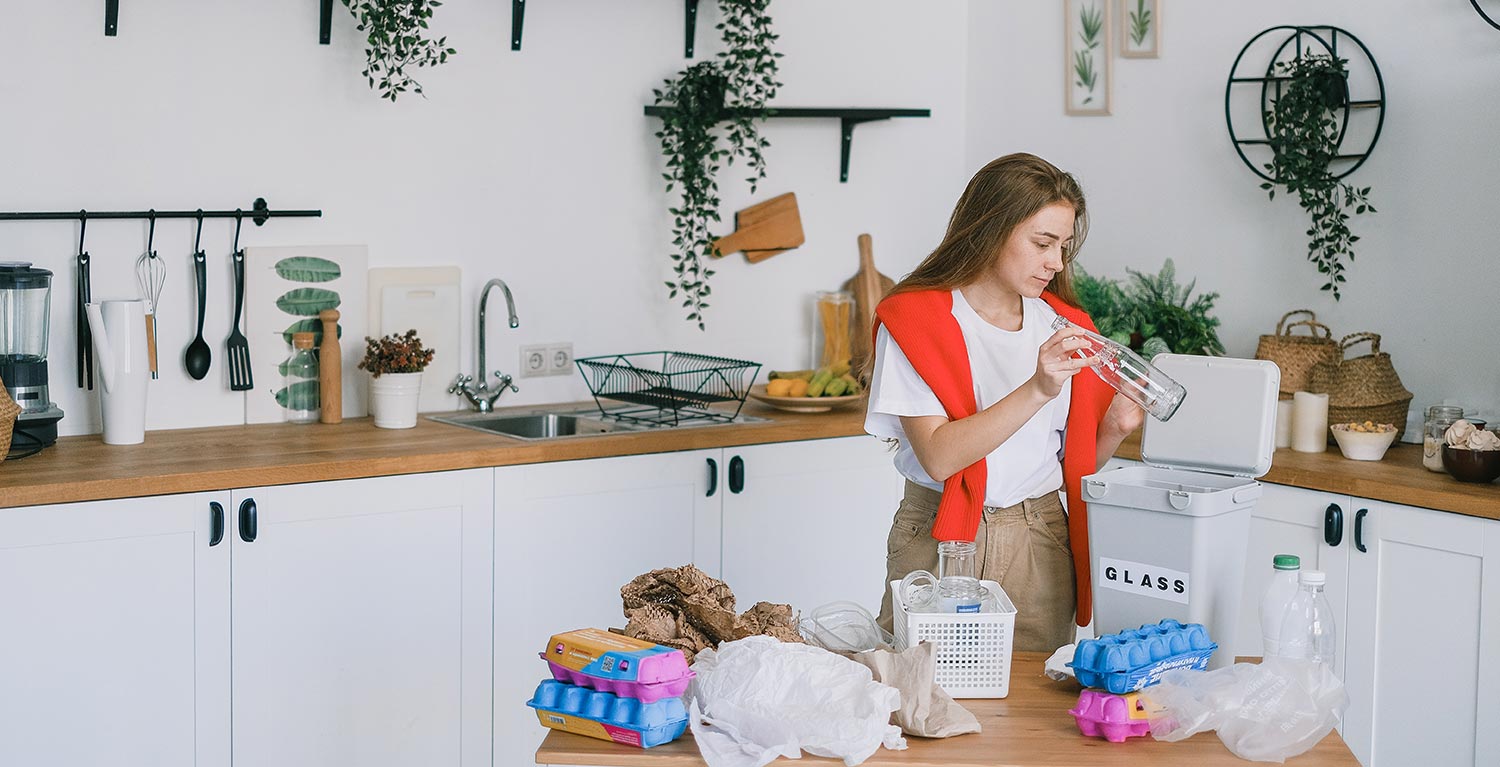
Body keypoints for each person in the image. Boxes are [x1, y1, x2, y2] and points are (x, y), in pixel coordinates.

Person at [865, 152, 1145, 652]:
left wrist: (1115, 428)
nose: (1056, 262)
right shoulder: (915, 322)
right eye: (1042, 243)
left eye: (1063, 246)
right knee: (920, 697)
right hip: (939, 535)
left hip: (1040, 537)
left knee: (1034, 716)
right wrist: (1038, 388)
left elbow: (1065, 466)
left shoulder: (1067, 325)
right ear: (991, 230)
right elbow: (940, 454)